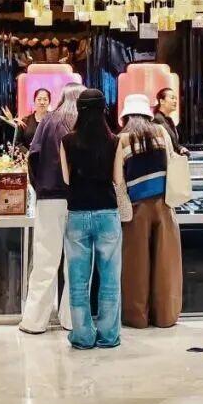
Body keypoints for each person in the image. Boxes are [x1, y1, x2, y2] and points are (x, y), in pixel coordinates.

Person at [59, 89, 124, 349]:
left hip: (77, 213)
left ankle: (83, 336)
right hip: (107, 212)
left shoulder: (66, 141)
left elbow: (66, 180)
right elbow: (118, 179)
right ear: (103, 109)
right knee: (109, 279)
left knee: (78, 280)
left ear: (79, 109)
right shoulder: (115, 141)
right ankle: (108, 335)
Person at [18, 83, 83, 334]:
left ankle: (34, 321)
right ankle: (72, 319)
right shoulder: (81, 123)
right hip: (77, 200)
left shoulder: (48, 121)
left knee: (45, 260)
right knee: (75, 263)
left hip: (48, 199)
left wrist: (40, 187)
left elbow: (32, 156)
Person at [115, 93, 182, 328]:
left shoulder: (121, 139)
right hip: (164, 205)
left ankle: (137, 317)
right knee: (166, 264)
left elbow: (118, 181)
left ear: (127, 116)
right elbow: (172, 162)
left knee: (136, 265)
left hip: (136, 209)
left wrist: (124, 210)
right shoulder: (161, 132)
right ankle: (165, 316)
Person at [152, 87, 188, 156]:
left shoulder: (169, 120)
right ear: (162, 101)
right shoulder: (156, 120)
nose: (175, 101)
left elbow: (173, 143)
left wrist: (180, 148)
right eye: (172, 98)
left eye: (176, 98)